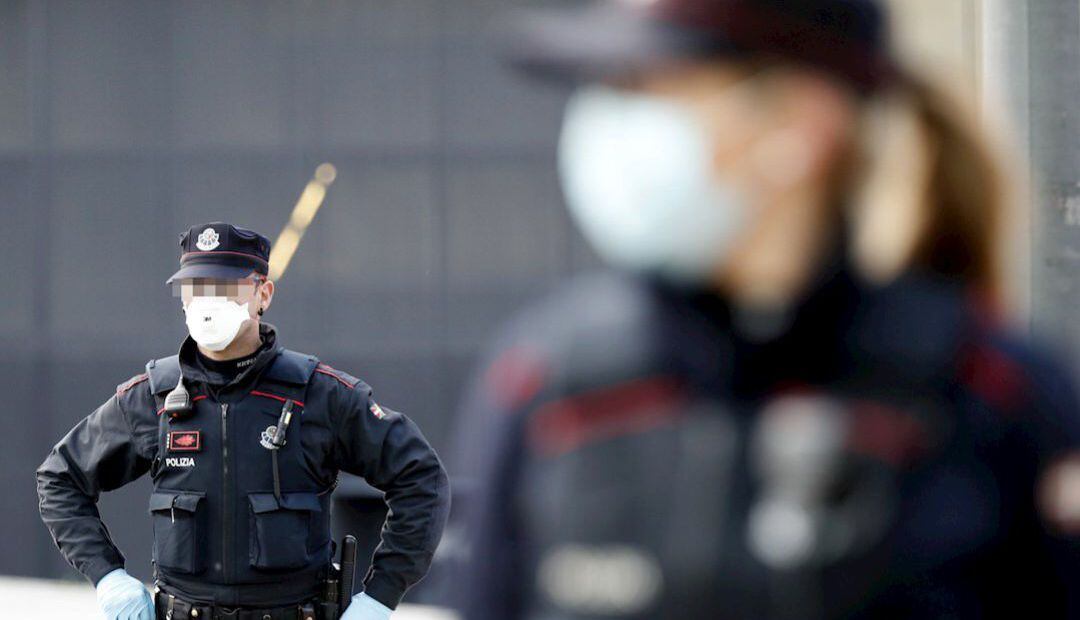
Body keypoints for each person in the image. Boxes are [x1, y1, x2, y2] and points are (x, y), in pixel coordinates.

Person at [453, 1, 1080, 618]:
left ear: (803, 125)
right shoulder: (548, 387)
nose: (615, 123)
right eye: (616, 88)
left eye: (654, 87)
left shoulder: (986, 396)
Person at [37, 222, 450, 620]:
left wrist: (379, 597)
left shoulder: (321, 395)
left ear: (262, 294)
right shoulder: (153, 398)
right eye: (195, 289)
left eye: (224, 287)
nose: (206, 301)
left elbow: (422, 478)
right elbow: (60, 478)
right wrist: (109, 578)